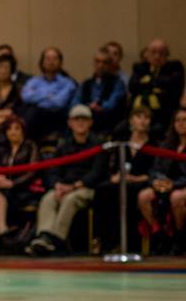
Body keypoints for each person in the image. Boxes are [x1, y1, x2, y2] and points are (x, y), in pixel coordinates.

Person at [25, 105, 108, 257]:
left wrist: (75, 186)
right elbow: (53, 170)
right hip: (65, 186)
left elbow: (97, 172)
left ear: (90, 122)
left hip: (87, 188)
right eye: (77, 119)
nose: (80, 123)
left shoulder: (98, 144)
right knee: (49, 198)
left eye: (84, 119)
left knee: (71, 199)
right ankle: (44, 236)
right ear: (70, 123)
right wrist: (57, 185)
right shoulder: (63, 145)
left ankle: (56, 240)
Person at [94, 108, 153, 253]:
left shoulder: (154, 145)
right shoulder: (121, 144)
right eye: (139, 116)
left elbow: (156, 171)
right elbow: (111, 167)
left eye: (146, 117)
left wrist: (136, 178)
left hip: (142, 182)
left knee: (129, 192)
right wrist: (114, 176)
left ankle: (131, 243)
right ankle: (105, 240)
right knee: (104, 189)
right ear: (131, 120)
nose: (142, 121)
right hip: (121, 182)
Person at [0, 115, 39, 256]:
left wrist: (12, 183)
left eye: (17, 129)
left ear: (23, 131)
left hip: (24, 189)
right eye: (9, 129)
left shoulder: (30, 146)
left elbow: (32, 172)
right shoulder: (5, 150)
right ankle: (0, 233)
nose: (13, 132)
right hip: (6, 190)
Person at [137, 107, 186, 255]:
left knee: (176, 197)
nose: (181, 123)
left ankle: (179, 237)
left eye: (184, 120)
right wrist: (156, 182)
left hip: (181, 185)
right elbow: (154, 168)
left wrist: (174, 184)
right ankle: (160, 234)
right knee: (143, 196)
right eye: (177, 120)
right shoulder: (167, 144)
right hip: (165, 183)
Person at [129, 39, 185, 136]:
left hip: (162, 114)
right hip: (139, 111)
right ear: (147, 54)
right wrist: (157, 84)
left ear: (167, 55)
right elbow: (133, 86)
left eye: (161, 53)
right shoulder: (139, 67)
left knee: (157, 130)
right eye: (153, 52)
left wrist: (147, 83)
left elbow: (172, 85)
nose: (157, 56)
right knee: (119, 130)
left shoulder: (175, 67)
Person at [20, 47, 76, 140]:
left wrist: (37, 95)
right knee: (30, 112)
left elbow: (59, 102)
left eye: (55, 58)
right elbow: (25, 97)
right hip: (37, 118)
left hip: (58, 116)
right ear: (42, 62)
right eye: (48, 59)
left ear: (60, 62)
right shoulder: (33, 81)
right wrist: (48, 94)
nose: (51, 62)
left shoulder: (68, 83)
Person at [74, 47, 126, 135]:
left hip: (108, 121)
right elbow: (75, 103)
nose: (100, 65)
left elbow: (111, 104)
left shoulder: (117, 83)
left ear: (110, 65)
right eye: (97, 61)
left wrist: (99, 106)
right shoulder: (86, 83)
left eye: (104, 62)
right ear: (93, 63)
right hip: (86, 119)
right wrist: (87, 107)